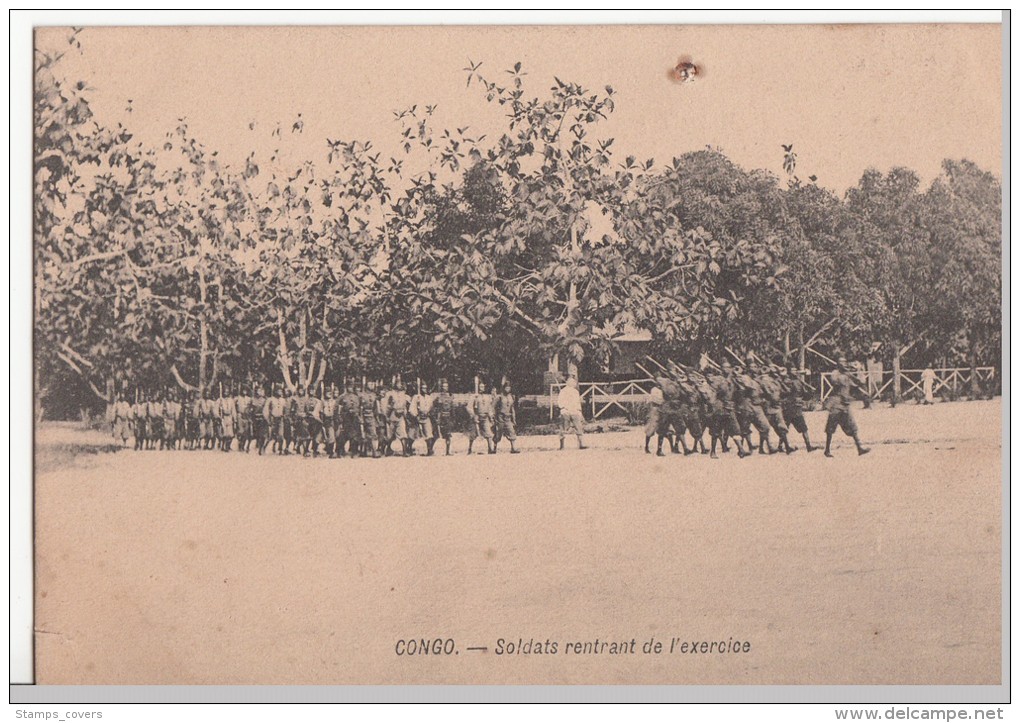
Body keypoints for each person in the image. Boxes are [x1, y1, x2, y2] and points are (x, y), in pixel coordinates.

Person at [823, 356, 871, 457]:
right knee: (830, 429)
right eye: (841, 362)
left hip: (845, 404)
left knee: (852, 427)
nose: (844, 364)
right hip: (836, 404)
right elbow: (835, 382)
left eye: (845, 362)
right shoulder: (835, 373)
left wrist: (857, 374)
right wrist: (845, 374)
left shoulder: (847, 374)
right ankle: (827, 450)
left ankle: (859, 448)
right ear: (838, 364)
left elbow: (857, 384)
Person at [759, 365, 795, 454]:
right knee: (765, 428)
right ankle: (763, 447)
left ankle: (787, 446)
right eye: (775, 373)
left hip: (776, 407)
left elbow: (786, 391)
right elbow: (767, 393)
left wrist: (781, 382)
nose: (777, 374)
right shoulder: (764, 381)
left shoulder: (776, 382)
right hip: (768, 407)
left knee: (781, 427)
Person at [781, 365, 816, 452]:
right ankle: (781, 445)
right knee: (785, 428)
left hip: (795, 408)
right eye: (792, 370)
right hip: (789, 408)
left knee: (803, 428)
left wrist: (810, 392)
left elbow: (804, 395)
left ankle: (808, 446)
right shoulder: (787, 381)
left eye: (795, 370)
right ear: (789, 372)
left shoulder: (797, 381)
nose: (795, 372)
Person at [557, 376, 587, 450]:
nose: (574, 384)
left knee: (578, 428)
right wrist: (563, 409)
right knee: (564, 428)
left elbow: (577, 403)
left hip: (574, 412)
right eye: (573, 382)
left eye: (574, 382)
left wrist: (579, 412)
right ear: (568, 383)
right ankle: (562, 446)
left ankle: (580, 444)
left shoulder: (575, 392)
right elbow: (560, 402)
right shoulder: (563, 391)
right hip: (566, 412)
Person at [493, 381, 520, 454]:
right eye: (506, 387)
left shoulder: (511, 397)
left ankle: (513, 448)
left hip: (508, 417)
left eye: (509, 387)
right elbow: (494, 407)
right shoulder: (499, 397)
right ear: (504, 388)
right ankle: (494, 448)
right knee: (498, 433)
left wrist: (514, 419)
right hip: (500, 417)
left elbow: (512, 409)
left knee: (511, 431)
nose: (508, 389)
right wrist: (493, 417)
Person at [430, 379, 456, 456]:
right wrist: (436, 417)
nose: (445, 388)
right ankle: (430, 449)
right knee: (436, 435)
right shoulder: (438, 397)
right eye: (444, 386)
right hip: (440, 417)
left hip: (448, 417)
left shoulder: (450, 397)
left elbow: (452, 408)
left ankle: (447, 451)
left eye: (446, 386)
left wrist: (453, 418)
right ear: (441, 387)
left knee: (448, 435)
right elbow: (433, 407)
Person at [409, 383, 436, 455]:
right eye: (423, 388)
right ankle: (409, 449)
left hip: (426, 417)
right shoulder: (416, 397)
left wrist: (428, 412)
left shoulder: (428, 397)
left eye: (425, 388)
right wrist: (415, 415)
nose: (424, 390)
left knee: (429, 433)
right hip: (417, 417)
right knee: (413, 434)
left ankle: (429, 450)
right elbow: (412, 408)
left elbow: (431, 407)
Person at [469, 380, 495, 455]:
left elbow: (489, 407)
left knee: (489, 434)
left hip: (485, 417)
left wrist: (491, 416)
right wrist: (473, 415)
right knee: (473, 434)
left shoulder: (487, 397)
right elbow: (469, 407)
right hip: (477, 417)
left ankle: (490, 449)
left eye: (483, 387)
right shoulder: (473, 396)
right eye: (480, 386)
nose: (481, 388)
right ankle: (470, 449)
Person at [643, 380, 663, 454]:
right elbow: (655, 400)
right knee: (650, 429)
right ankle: (646, 447)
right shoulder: (654, 390)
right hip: (655, 410)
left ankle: (661, 449)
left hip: (662, 410)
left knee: (665, 429)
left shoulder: (663, 389)